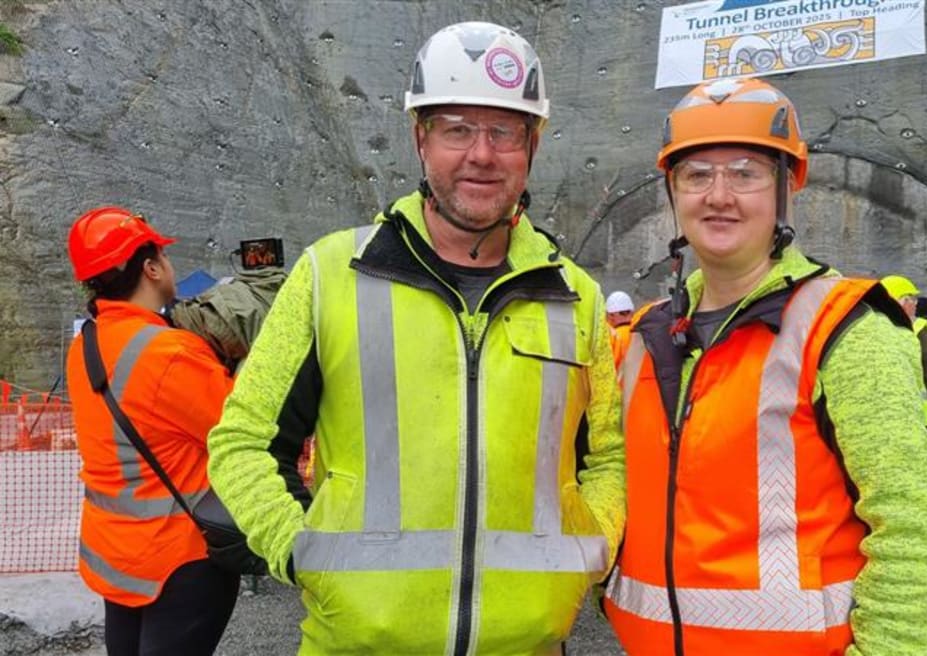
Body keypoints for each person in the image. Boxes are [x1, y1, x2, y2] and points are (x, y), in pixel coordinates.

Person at [206, 21, 625, 654]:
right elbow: (243, 442)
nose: (481, 154)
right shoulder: (330, 276)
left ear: (532, 146)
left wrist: (590, 554)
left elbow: (608, 460)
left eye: (505, 131)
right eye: (457, 128)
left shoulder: (577, 298)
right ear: (420, 138)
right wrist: (300, 552)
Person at [602, 77, 927, 655]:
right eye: (696, 175)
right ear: (673, 190)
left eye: (746, 173)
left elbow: (908, 530)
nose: (719, 195)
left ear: (788, 186)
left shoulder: (846, 330)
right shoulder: (646, 335)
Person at [64, 206, 239, 655]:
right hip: (178, 558)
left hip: (116, 553)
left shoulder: (86, 346)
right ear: (151, 268)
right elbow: (240, 427)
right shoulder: (169, 353)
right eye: (163, 254)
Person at [881, 274, 927, 432]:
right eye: (911, 298)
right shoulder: (918, 327)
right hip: (919, 414)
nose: (916, 303)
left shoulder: (874, 328)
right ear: (900, 302)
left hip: (887, 413)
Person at [606, 290, 635, 371]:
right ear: (632, 312)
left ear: (611, 316)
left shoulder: (610, 337)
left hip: (620, 378)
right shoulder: (643, 333)